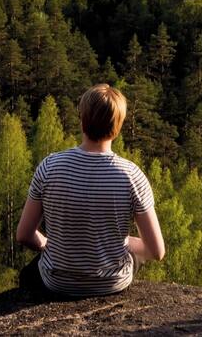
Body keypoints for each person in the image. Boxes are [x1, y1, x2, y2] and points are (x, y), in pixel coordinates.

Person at [15, 83, 165, 296]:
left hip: (56, 283)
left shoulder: (49, 167)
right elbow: (156, 252)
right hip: (112, 284)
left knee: (28, 274)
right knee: (134, 254)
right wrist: (127, 242)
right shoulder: (132, 176)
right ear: (118, 126)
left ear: (82, 120)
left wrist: (48, 244)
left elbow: (24, 235)